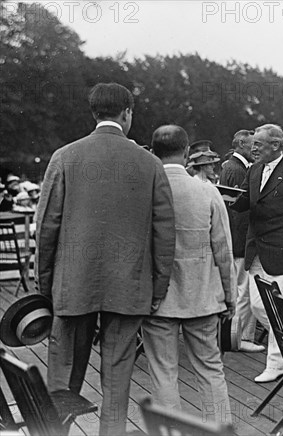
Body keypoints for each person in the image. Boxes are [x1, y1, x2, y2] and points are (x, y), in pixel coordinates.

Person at [35, 82, 176, 434]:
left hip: (72, 286)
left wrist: (46, 285)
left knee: (63, 377)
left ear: (94, 112)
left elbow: (46, 228)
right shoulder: (150, 164)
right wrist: (157, 289)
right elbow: (164, 233)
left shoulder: (64, 157)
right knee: (117, 378)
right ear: (127, 113)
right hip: (130, 288)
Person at [142, 125, 234, 422]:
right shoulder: (207, 191)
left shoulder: (144, 191)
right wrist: (229, 295)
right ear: (186, 153)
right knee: (210, 370)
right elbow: (223, 249)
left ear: (154, 151)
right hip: (203, 297)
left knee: (163, 372)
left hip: (157, 302)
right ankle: (220, 429)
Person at [230, 123, 283, 383]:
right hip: (256, 251)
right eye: (253, 144)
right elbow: (243, 201)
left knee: (280, 306)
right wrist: (221, 195)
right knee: (258, 306)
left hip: (282, 253)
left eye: (258, 144)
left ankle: (277, 363)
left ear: (276, 146)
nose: (254, 149)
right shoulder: (253, 171)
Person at [220, 129, 265, 353]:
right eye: (251, 145)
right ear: (239, 144)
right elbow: (239, 210)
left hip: (236, 238)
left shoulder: (232, 167)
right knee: (242, 290)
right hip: (240, 239)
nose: (254, 150)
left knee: (241, 289)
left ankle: (238, 336)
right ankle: (239, 337)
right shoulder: (236, 170)